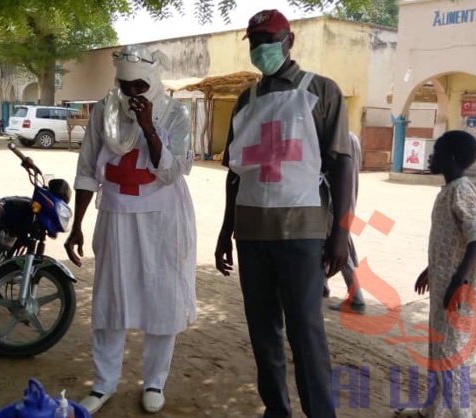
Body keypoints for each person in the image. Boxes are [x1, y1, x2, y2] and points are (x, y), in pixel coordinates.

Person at [215, 10, 354, 418]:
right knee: (263, 333)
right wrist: (227, 231)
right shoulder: (246, 100)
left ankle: (320, 413)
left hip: (302, 232)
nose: (261, 49)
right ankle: (277, 410)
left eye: (269, 40)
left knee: (305, 331)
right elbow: (236, 174)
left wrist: (341, 234)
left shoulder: (321, 91)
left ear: (289, 40)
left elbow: (342, 164)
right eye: (255, 42)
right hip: (252, 233)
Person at [65, 44, 196, 415]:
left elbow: (171, 172)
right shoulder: (103, 112)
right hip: (116, 216)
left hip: (161, 220)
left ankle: (154, 381)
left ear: (153, 80)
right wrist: (77, 225)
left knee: (161, 299)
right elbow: (87, 169)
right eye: (127, 87)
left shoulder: (175, 114)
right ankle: (104, 382)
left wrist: (149, 126)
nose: (134, 94)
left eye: (140, 86)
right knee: (110, 300)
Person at [395, 131, 476, 418]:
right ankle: (430, 412)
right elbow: (454, 239)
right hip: (447, 290)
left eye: (435, 151)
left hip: (461, 296)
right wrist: (432, 270)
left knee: (452, 366)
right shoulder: (450, 190)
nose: (429, 156)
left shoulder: (460, 191)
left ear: (450, 158)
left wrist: (458, 281)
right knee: (440, 355)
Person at [325, 131, 366, 313]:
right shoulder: (352, 138)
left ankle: (356, 295)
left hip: (334, 200)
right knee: (329, 240)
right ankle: (322, 284)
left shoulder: (339, 139)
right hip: (345, 199)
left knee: (338, 244)